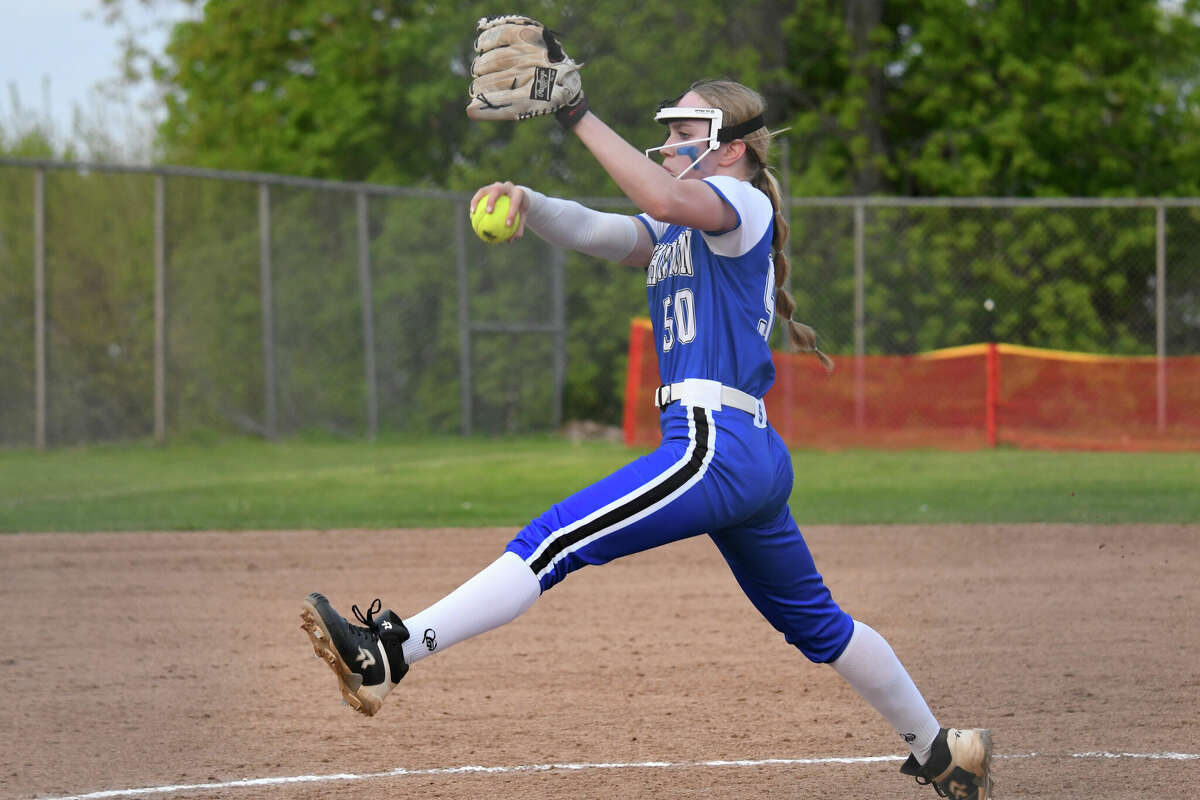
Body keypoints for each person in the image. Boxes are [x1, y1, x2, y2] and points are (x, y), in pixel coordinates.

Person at [301, 75, 993, 799]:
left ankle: (391, 652)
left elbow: (660, 199)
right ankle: (944, 753)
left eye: (684, 135)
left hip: (712, 445)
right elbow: (603, 230)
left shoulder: (742, 204)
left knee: (553, 540)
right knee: (822, 626)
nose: (666, 145)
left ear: (728, 151)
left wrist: (573, 112)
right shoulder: (683, 227)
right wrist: (530, 204)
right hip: (742, 452)